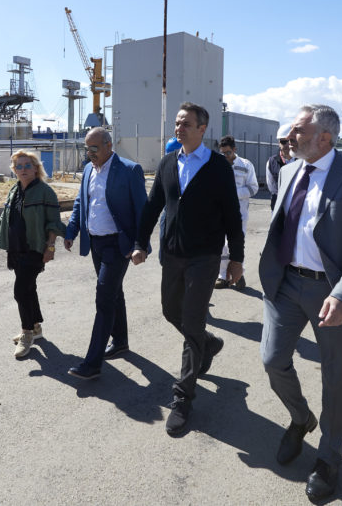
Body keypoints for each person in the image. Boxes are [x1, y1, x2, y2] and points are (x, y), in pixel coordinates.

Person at [259, 104, 342, 501]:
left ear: (324, 138)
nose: (289, 136)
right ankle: (301, 418)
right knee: (272, 360)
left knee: (335, 377)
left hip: (330, 291)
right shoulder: (288, 170)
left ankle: (330, 457)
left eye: (298, 130)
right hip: (285, 284)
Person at [131, 102, 243, 436]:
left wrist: (236, 259)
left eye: (186, 124)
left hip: (204, 257)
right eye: (177, 123)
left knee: (192, 320)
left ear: (202, 129)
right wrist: (140, 242)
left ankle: (183, 398)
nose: (179, 128)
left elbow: (232, 215)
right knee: (170, 311)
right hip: (173, 253)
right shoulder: (168, 162)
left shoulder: (217, 166)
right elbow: (153, 206)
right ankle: (207, 342)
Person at [63, 127, 148, 379]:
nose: (89, 153)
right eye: (86, 148)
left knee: (103, 299)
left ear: (109, 145)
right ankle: (120, 341)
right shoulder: (88, 170)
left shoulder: (129, 170)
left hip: (117, 244)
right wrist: (72, 230)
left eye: (94, 148)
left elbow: (143, 211)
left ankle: (92, 363)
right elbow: (81, 202)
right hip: (95, 243)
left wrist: (140, 245)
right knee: (114, 292)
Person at [0, 150, 67, 358]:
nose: (23, 169)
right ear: (14, 170)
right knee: (29, 289)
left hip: (34, 249)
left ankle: (26, 333)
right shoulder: (14, 190)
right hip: (15, 248)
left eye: (27, 165)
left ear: (36, 168)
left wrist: (50, 247)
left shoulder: (45, 191)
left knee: (20, 291)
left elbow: (53, 222)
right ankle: (36, 327)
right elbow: (4, 217)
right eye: (18, 166)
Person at [215, 135, 258, 290]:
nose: (225, 156)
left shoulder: (246, 165)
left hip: (239, 214)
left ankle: (239, 276)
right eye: (222, 153)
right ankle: (222, 276)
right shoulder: (217, 164)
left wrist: (234, 194)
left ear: (234, 149)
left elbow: (253, 188)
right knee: (221, 245)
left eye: (228, 153)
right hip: (220, 213)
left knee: (236, 244)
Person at [266, 126, 295, 211]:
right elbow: (272, 187)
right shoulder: (271, 162)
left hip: (297, 205)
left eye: (290, 140)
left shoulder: (302, 160)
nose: (287, 144)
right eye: (283, 141)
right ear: (279, 143)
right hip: (278, 206)